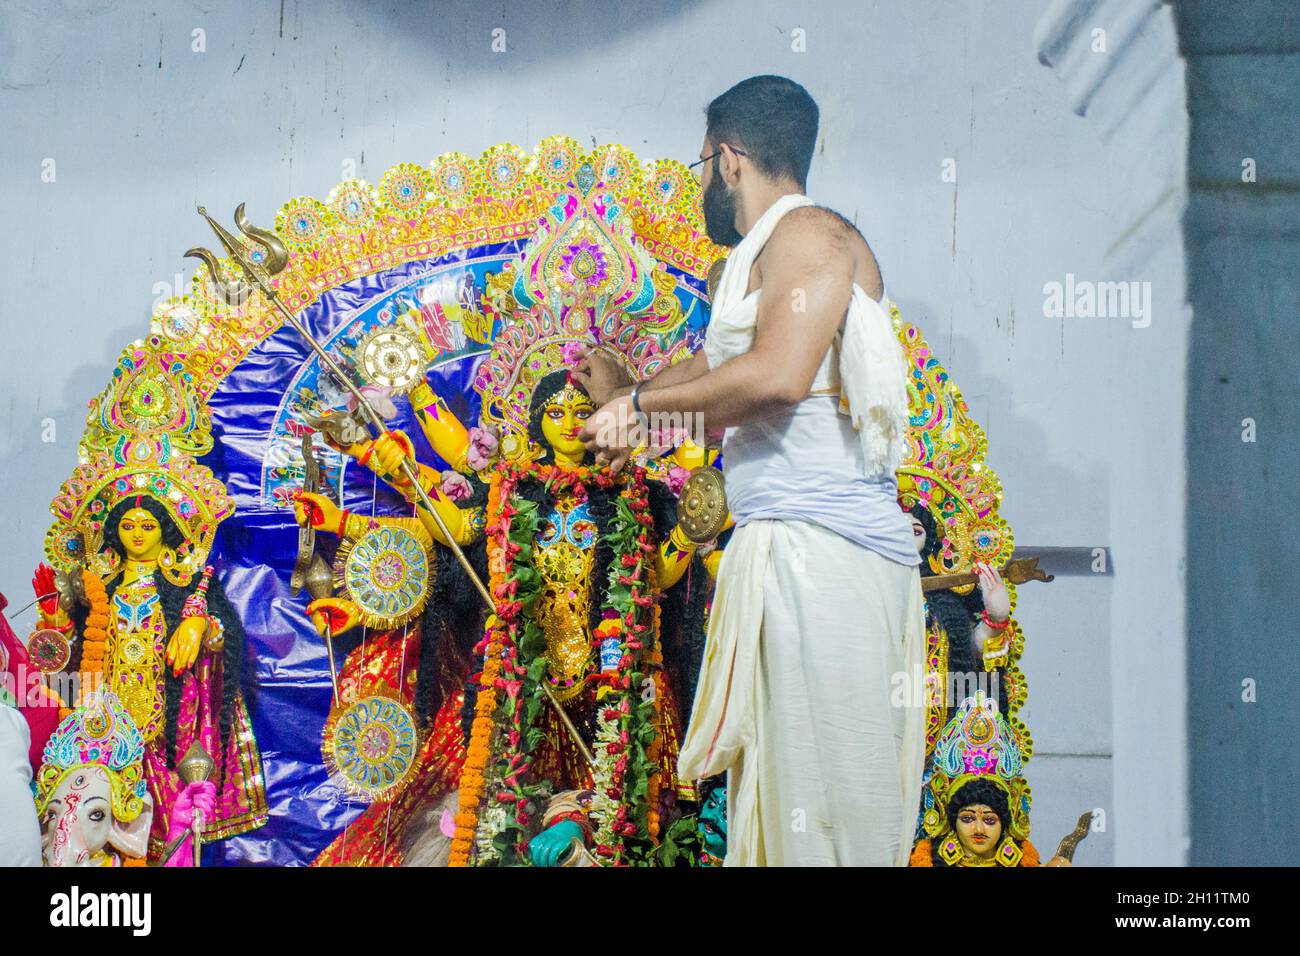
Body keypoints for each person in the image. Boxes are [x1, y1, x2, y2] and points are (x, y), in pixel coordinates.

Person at [579, 74, 924, 865]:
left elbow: (775, 377)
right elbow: (714, 361)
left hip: (828, 556)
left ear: (728, 159)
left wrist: (643, 413)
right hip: (781, 550)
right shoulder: (751, 262)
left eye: (699, 163)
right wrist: (630, 398)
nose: (701, 180)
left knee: (828, 814)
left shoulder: (811, 236)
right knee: (772, 811)